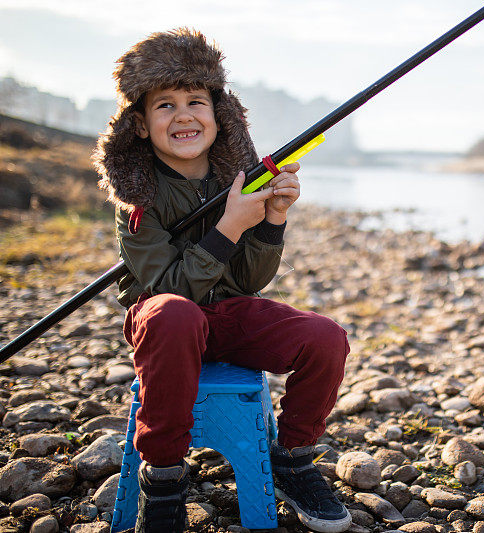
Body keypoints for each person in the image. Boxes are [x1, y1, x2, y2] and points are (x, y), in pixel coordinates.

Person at [92, 28, 352, 533]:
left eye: (196, 101)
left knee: (325, 338)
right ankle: (163, 480)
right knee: (174, 313)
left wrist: (272, 218)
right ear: (141, 125)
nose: (184, 114)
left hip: (229, 315)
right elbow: (169, 289)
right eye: (164, 105)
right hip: (163, 320)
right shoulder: (138, 198)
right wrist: (229, 225)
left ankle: (292, 460)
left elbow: (252, 279)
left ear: (219, 115)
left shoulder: (236, 178)